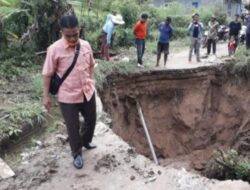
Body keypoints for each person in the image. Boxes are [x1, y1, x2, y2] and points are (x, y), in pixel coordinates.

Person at [42, 15, 96, 169]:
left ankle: (85, 141)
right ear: (61, 32)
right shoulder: (54, 49)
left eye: (75, 34)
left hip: (87, 91)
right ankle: (77, 153)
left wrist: (92, 80)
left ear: (79, 30)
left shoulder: (86, 45)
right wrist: (45, 96)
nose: (72, 39)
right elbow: (47, 74)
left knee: (91, 120)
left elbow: (91, 65)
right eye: (68, 35)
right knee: (72, 127)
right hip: (67, 96)